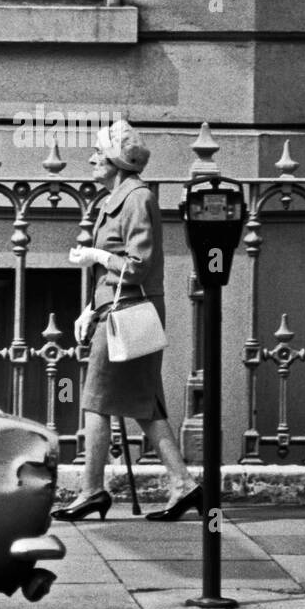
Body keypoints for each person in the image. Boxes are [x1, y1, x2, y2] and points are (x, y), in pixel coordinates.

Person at [53, 119, 201, 523]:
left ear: (116, 162)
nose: (90, 160)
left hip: (129, 314)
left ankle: (91, 491)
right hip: (117, 310)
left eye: (97, 155)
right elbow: (113, 276)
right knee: (144, 406)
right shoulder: (114, 199)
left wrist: (96, 256)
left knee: (95, 401)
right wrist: (89, 308)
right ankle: (183, 484)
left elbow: (136, 265)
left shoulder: (136, 199)